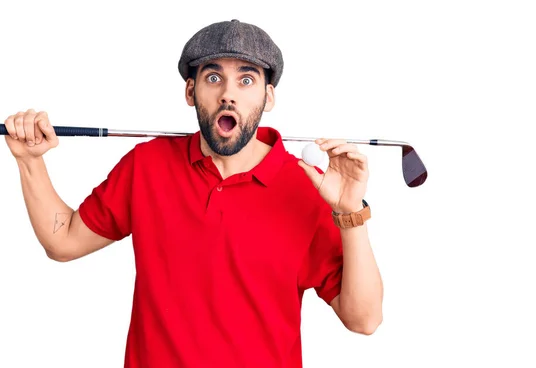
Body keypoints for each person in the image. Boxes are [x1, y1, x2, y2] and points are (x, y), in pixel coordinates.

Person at [4, 19, 383, 368]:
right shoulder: (147, 166)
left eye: (246, 80)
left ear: (268, 97)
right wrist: (29, 161)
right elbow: (63, 240)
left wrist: (350, 213)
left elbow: (364, 320)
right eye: (214, 78)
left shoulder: (307, 186)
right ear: (191, 91)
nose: (228, 95)